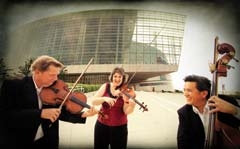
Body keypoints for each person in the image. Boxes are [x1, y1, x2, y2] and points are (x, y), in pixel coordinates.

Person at [0, 55, 98, 149]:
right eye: (52, 75)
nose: (56, 79)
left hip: (48, 141)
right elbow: (6, 115)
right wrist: (40, 113)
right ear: (38, 72)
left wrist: (83, 114)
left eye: (57, 75)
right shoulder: (14, 86)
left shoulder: (53, 87)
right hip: (21, 142)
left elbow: (59, 113)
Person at [177, 74, 240, 149]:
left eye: (189, 91)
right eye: (184, 90)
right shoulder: (184, 112)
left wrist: (235, 110)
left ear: (204, 94)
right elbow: (182, 141)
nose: (185, 94)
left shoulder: (227, 102)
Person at [91, 67, 136, 149]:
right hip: (102, 126)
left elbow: (126, 111)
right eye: (115, 76)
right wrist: (104, 98)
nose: (117, 79)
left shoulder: (125, 92)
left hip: (120, 128)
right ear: (112, 77)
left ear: (123, 78)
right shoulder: (106, 86)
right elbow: (93, 101)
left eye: (120, 77)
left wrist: (131, 106)